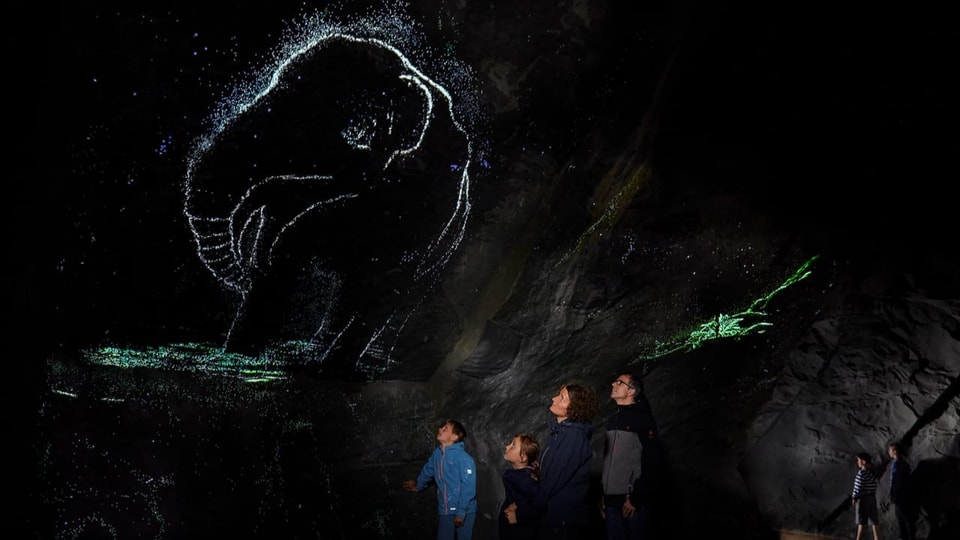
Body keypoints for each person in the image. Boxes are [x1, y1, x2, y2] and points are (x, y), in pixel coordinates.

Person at [504, 381, 600, 540]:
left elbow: (550, 483)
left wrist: (522, 514)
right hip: (552, 518)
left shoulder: (573, 438)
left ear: (574, 407)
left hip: (561, 522)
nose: (554, 398)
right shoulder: (560, 433)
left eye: (562, 397)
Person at [600, 372, 661, 540]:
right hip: (612, 500)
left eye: (619, 382)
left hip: (631, 502)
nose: (613, 384)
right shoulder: (614, 420)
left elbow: (650, 460)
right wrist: (604, 494)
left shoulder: (644, 420)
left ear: (631, 391)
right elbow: (609, 460)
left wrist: (636, 498)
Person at [403, 419, 478, 540]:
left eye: (445, 429)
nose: (440, 429)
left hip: (465, 510)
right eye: (441, 427)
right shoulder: (437, 454)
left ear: (454, 436)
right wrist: (418, 485)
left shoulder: (464, 459)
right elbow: (428, 470)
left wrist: (461, 512)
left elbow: (468, 488)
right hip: (446, 508)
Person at [499, 433, 541, 540]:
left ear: (523, 457)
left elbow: (539, 502)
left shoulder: (524, 479)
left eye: (513, 445)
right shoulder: (520, 476)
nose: (507, 446)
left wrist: (518, 516)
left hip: (519, 533)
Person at [887, 442, 916, 540]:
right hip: (905, 492)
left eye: (890, 450)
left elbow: (895, 481)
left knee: (903, 516)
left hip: (900, 493)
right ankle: (905, 536)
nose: (888, 452)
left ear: (895, 451)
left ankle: (907, 537)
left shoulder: (897, 464)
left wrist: (892, 493)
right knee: (903, 516)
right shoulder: (904, 463)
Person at [851, 451, 880, 540]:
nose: (857, 462)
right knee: (874, 521)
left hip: (863, 499)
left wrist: (854, 497)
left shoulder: (862, 473)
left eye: (858, 460)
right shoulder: (872, 474)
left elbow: (858, 487)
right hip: (872, 498)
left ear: (863, 461)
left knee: (861, 522)